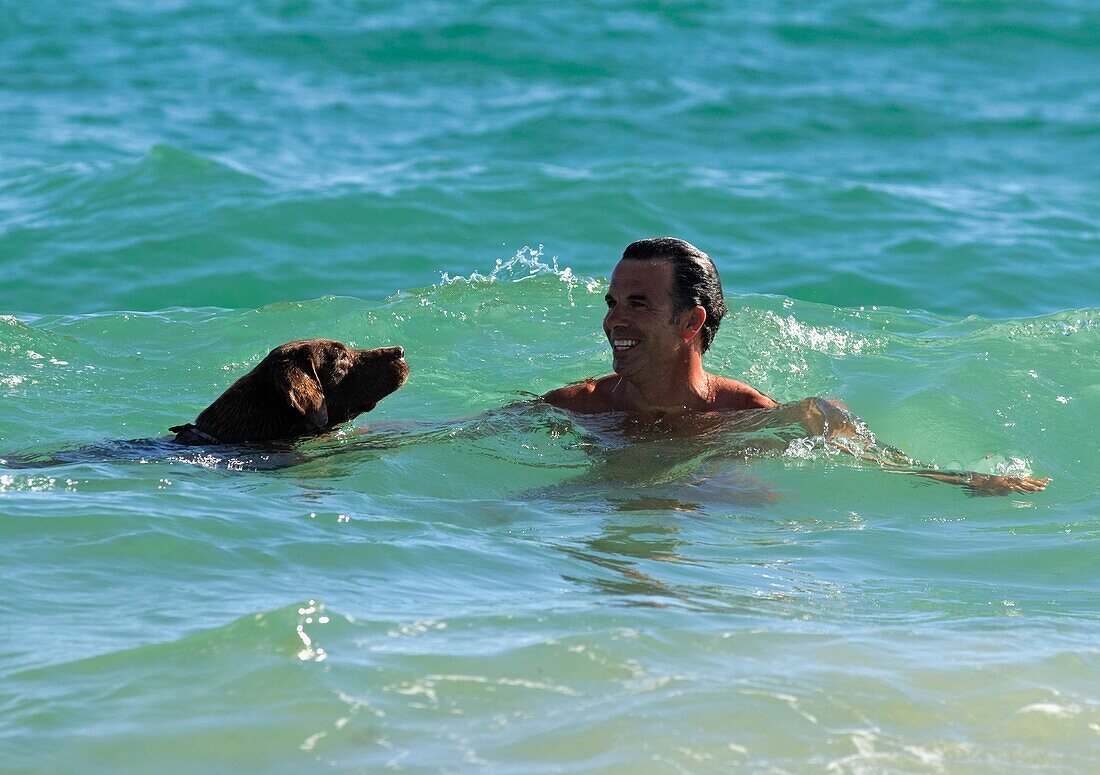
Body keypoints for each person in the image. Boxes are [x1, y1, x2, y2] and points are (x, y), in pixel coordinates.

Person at [543, 237, 1049, 495]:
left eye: (637, 303)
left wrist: (960, 479)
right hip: (600, 522)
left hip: (699, 537)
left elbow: (859, 454)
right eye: (612, 303)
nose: (614, 320)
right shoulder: (580, 405)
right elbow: (470, 437)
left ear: (690, 322)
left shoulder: (745, 414)